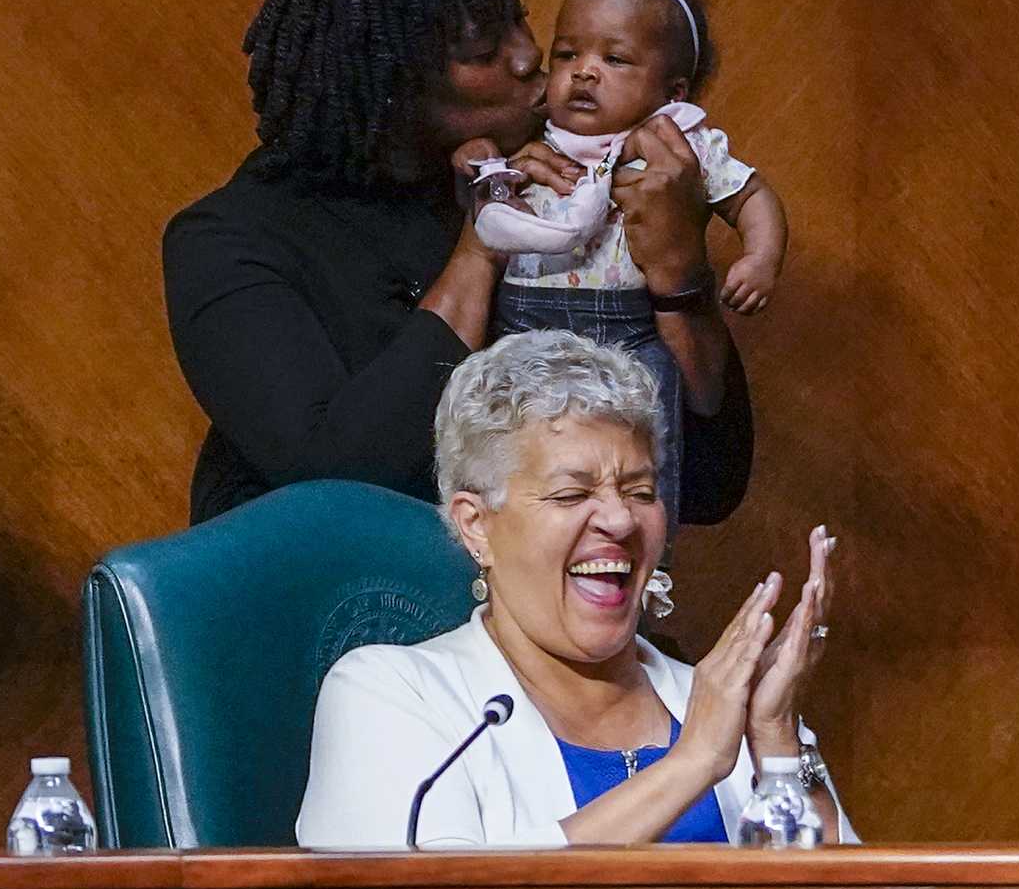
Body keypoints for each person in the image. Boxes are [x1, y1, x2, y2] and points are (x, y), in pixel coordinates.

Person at [163, 0, 754, 526]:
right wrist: (481, 248)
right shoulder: (230, 241)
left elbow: (707, 485)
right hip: (344, 611)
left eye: (519, 15)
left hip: (536, 611)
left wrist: (679, 275)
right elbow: (339, 481)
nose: (531, 57)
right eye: (481, 50)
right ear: (393, 82)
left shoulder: (567, 180)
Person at [296, 330, 852, 848]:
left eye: (640, 491)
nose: (619, 519)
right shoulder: (390, 694)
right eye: (569, 495)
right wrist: (692, 762)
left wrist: (776, 734)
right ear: (476, 525)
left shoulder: (718, 701)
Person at [463, 0, 788, 532]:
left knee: (644, 428)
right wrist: (479, 163)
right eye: (567, 54)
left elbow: (754, 196)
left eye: (616, 60)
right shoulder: (537, 133)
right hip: (524, 321)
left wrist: (760, 257)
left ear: (673, 93)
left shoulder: (680, 145)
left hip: (628, 329)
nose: (583, 71)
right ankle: (497, 532)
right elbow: (482, 171)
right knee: (501, 421)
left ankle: (645, 543)